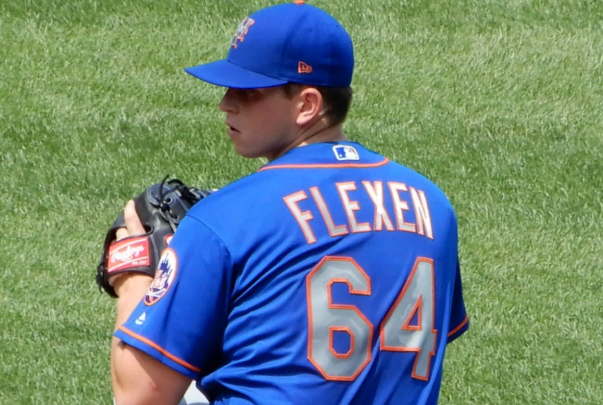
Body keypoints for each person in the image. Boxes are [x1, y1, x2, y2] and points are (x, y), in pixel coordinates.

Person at [109, 1, 469, 404]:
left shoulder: (226, 219)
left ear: (307, 105)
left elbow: (139, 395)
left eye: (249, 92)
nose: (226, 103)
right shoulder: (433, 207)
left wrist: (133, 277)